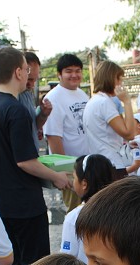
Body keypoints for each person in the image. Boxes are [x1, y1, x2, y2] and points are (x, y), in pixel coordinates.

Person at [0, 47, 69, 265]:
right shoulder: (15, 110)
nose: (30, 75)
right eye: (27, 70)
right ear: (18, 72)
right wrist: (57, 177)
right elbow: (25, 161)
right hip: (24, 203)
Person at [44, 53, 91, 212]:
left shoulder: (81, 94)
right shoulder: (53, 98)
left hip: (87, 165)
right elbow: (53, 137)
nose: (74, 75)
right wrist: (65, 171)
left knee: (90, 211)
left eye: (78, 71)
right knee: (75, 212)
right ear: (59, 74)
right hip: (72, 170)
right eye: (69, 71)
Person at [83, 61, 136, 178]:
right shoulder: (104, 102)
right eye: (119, 80)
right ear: (112, 79)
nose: (121, 84)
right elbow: (129, 133)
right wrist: (127, 102)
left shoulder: (95, 100)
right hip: (111, 163)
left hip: (101, 162)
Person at [19, 51, 52, 151]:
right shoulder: (10, 97)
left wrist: (43, 114)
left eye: (34, 80)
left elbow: (33, 126)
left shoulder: (28, 93)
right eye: (29, 79)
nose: (32, 85)